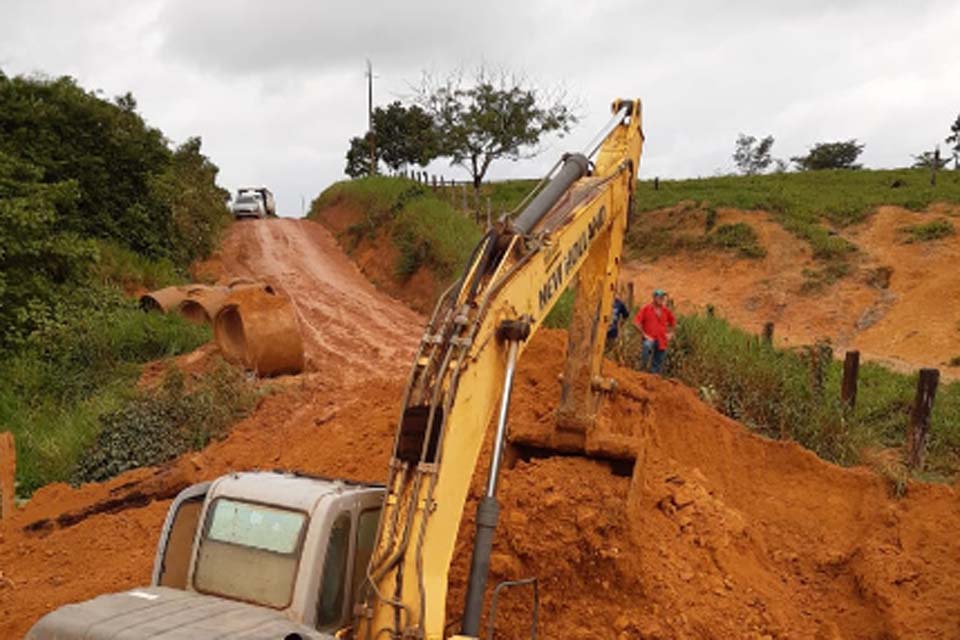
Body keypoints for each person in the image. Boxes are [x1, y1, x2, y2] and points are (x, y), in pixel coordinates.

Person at [633, 288, 676, 374]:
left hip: (662, 339)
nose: (661, 299)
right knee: (647, 346)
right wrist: (644, 334)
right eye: (659, 297)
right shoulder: (646, 309)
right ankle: (643, 369)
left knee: (658, 362)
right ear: (654, 297)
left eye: (663, 297)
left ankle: (654, 376)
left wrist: (670, 333)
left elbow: (673, 323)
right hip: (650, 338)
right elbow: (636, 323)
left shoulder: (666, 311)